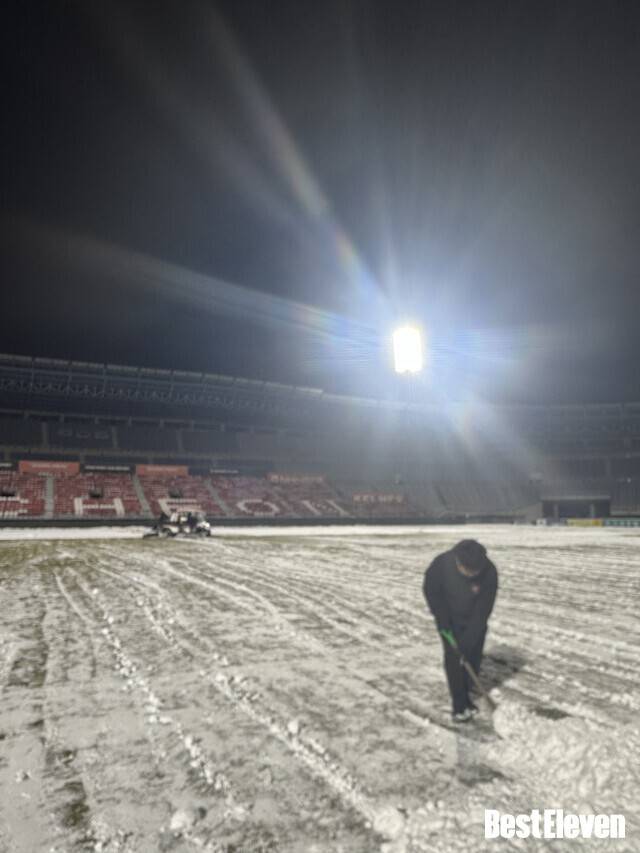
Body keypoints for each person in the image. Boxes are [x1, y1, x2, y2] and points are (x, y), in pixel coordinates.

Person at [423, 539, 498, 723]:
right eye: (468, 571)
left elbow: (483, 611)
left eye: (475, 571)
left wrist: (468, 641)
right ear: (458, 562)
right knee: (454, 659)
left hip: (475, 620)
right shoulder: (441, 565)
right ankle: (459, 705)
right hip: (449, 619)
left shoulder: (489, 572)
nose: (472, 574)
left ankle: (467, 695)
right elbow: (432, 591)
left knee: (472, 659)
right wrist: (442, 620)